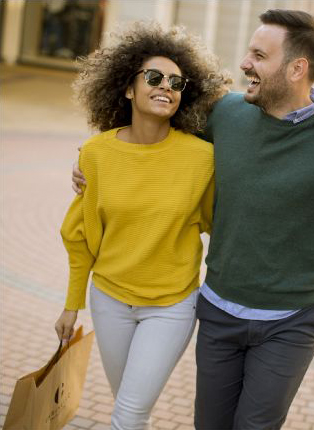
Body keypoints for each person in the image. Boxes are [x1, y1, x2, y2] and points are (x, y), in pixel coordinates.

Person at [72, 9, 314, 430]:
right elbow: (154, 135)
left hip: (291, 318)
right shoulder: (228, 113)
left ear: (296, 68)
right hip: (217, 311)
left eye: (258, 55)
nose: (245, 63)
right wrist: (91, 161)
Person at [54, 22, 228, 430]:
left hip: (171, 306)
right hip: (109, 300)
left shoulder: (202, 159)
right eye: (153, 77)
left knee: (127, 414)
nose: (165, 86)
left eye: (176, 81)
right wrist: (71, 303)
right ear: (128, 88)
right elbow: (77, 235)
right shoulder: (96, 154)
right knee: (131, 409)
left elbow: (217, 222)